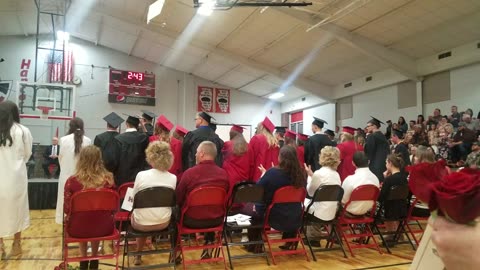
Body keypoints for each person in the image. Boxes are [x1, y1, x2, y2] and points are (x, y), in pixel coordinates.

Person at [242, 146, 307, 252]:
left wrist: (264, 174)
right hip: (294, 215)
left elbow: (257, 189)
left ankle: (254, 245)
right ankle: (290, 241)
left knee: (251, 208)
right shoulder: (301, 174)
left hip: (273, 216)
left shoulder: (273, 173)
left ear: (280, 158)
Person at [63, 146, 115, 270]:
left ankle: (83, 259)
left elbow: (67, 209)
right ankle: (95, 258)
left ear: (81, 160)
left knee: (82, 219)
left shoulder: (72, 181)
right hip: (104, 227)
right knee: (96, 219)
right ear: (99, 160)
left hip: (78, 229)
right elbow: (113, 206)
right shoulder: (108, 180)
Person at [176, 141, 229, 259]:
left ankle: (176, 253)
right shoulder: (224, 175)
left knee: (175, 212)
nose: (195, 155)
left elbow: (178, 198)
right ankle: (208, 247)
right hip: (216, 220)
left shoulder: (189, 174)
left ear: (202, 154)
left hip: (191, 220)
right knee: (210, 206)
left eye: (196, 152)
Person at [130, 141, 177, 266]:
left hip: (141, 224)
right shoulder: (173, 178)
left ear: (150, 156)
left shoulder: (141, 175)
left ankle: (138, 255)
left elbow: (132, 199)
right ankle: (173, 254)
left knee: (140, 213)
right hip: (163, 222)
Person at [0, 102, 32, 259]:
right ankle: (17, 243)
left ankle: (0, 246)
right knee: (17, 209)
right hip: (16, 178)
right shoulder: (23, 131)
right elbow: (28, 154)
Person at [55, 117, 92, 224]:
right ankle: (80, 222)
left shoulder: (63, 140)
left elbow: (60, 157)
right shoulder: (88, 140)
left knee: (64, 200)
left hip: (66, 176)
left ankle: (64, 221)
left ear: (70, 127)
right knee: (81, 201)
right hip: (82, 177)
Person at [304, 146, 341, 246]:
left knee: (306, 204)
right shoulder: (336, 174)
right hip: (332, 212)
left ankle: (312, 238)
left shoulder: (319, 173)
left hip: (318, 213)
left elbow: (311, 192)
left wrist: (309, 177)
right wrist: (312, 175)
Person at [110, 115, 149, 187]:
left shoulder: (118, 139)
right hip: (140, 178)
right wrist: (143, 126)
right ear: (138, 125)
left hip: (122, 179)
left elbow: (114, 161)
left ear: (126, 124)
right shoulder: (143, 138)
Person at [378, 154, 408, 239]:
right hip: (402, 208)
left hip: (389, 210)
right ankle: (398, 232)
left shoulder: (389, 180)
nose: (385, 165)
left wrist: (385, 179)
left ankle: (390, 232)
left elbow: (381, 197)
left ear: (390, 163)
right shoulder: (404, 178)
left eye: (386, 163)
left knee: (380, 204)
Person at [248, 117, 279, 181]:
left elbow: (250, 159)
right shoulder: (275, 142)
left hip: (259, 174)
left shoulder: (256, 139)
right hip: (273, 175)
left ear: (260, 128)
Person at [221, 125, 250, 193]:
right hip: (244, 177)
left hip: (230, 177)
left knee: (231, 198)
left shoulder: (227, 144)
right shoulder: (248, 146)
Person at [364, 116, 390, 182]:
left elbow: (369, 151)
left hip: (374, 165)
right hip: (384, 164)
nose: (367, 128)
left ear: (374, 126)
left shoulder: (371, 136)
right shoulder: (382, 136)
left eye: (368, 126)